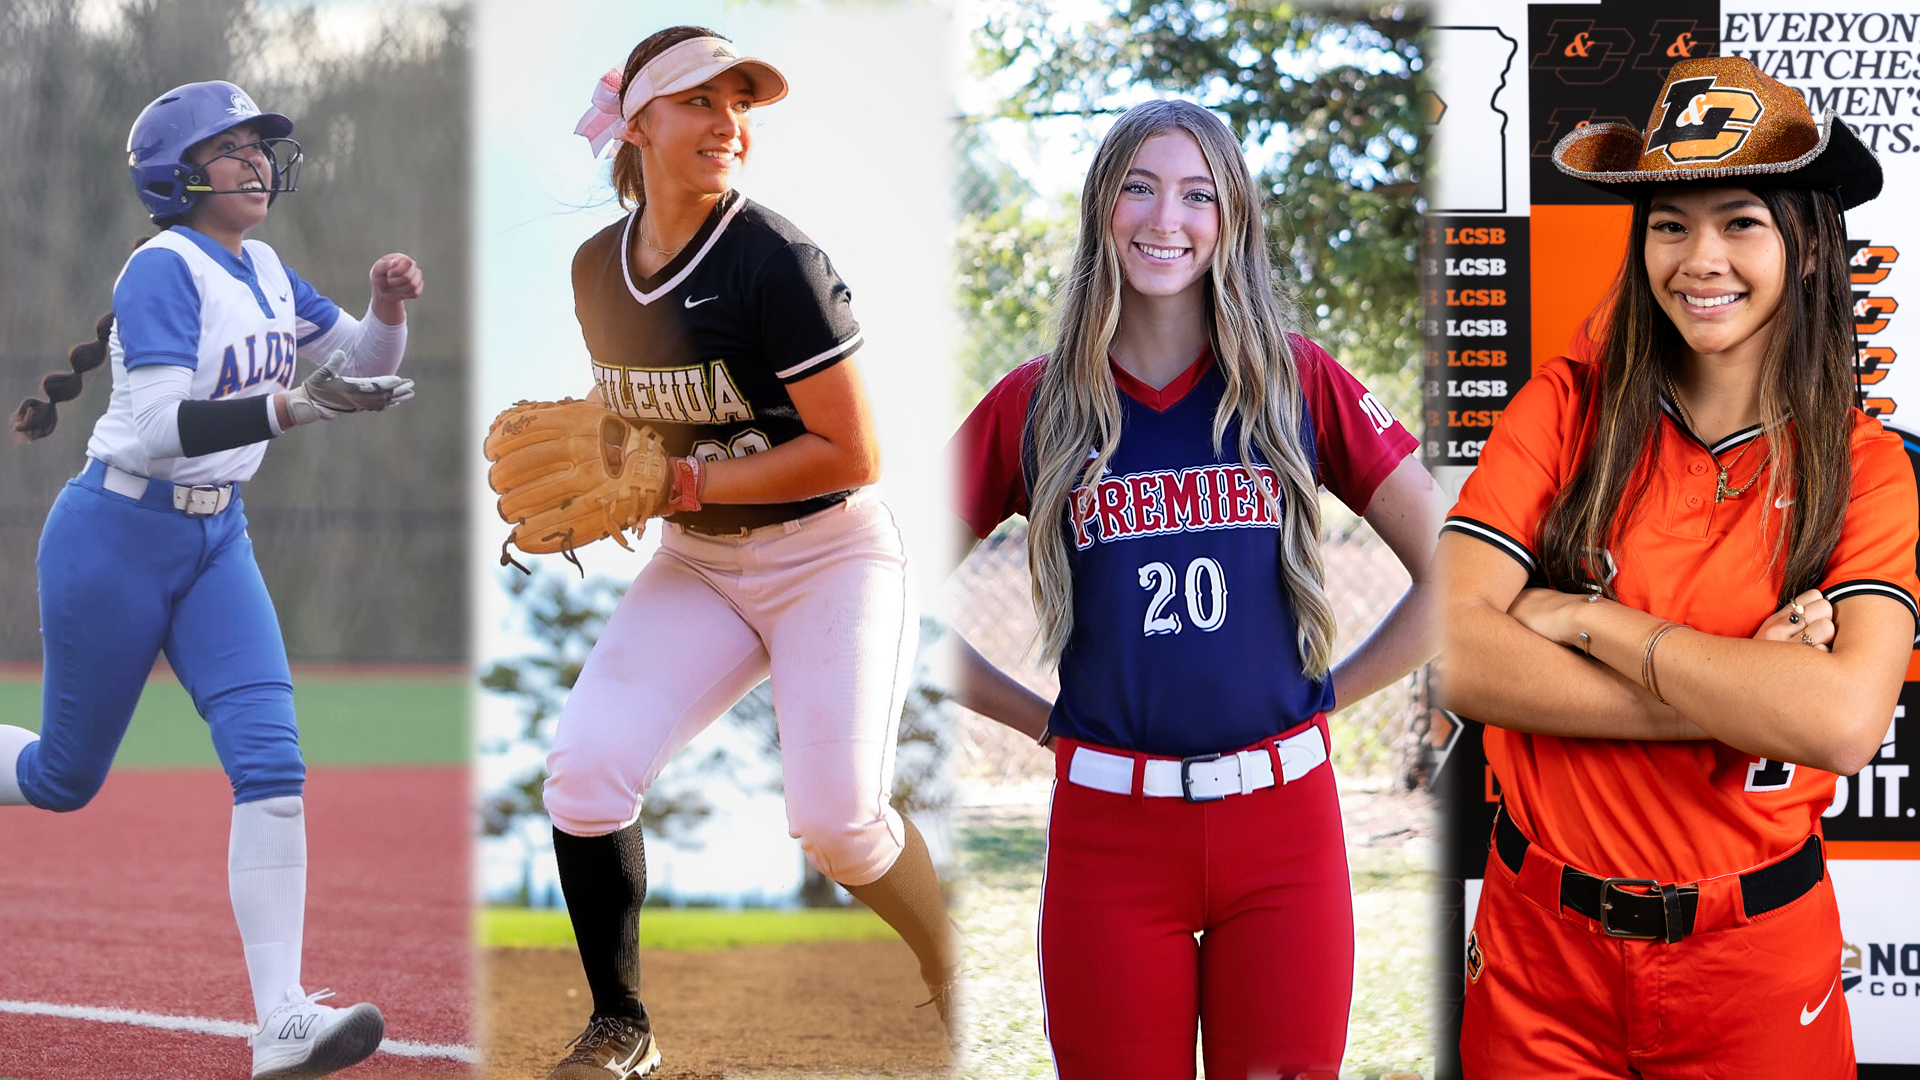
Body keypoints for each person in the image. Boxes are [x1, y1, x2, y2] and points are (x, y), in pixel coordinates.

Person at [1439, 56, 1916, 1078]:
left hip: (1753, 958)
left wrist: (1588, 622)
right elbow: (1454, 655)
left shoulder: (1868, 467)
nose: (1701, 258)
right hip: (1538, 951)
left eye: (1741, 220)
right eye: (1670, 223)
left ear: (1811, 245)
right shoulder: (1564, 408)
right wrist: (1748, 683)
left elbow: (1840, 721)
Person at [949, 99, 1441, 1080]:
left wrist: (1333, 694)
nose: (1163, 218)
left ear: (1232, 220)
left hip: (1283, 824)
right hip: (1110, 834)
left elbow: (1457, 560)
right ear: (1101, 209)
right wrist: (1035, 720)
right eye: (1137, 186)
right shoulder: (1035, 402)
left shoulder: (1296, 382)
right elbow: (886, 591)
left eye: (1196, 193)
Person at [536, 26, 958, 1080]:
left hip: (832, 557)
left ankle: (954, 965)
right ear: (638, 126)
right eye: (697, 102)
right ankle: (620, 1023)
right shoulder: (597, 268)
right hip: (699, 563)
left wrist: (679, 480)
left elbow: (850, 449)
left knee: (840, 825)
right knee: (585, 772)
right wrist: (606, 461)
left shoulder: (776, 260)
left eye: (739, 104)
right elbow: (636, 419)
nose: (727, 123)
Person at [0, 81, 422, 1079]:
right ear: (177, 175)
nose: (256, 164)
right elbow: (154, 427)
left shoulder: (267, 267)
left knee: (272, 761)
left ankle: (280, 1020)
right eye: (230, 149)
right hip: (114, 536)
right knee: (63, 779)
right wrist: (298, 411)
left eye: (261, 148)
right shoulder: (163, 266)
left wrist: (388, 309)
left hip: (216, 542)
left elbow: (359, 362)